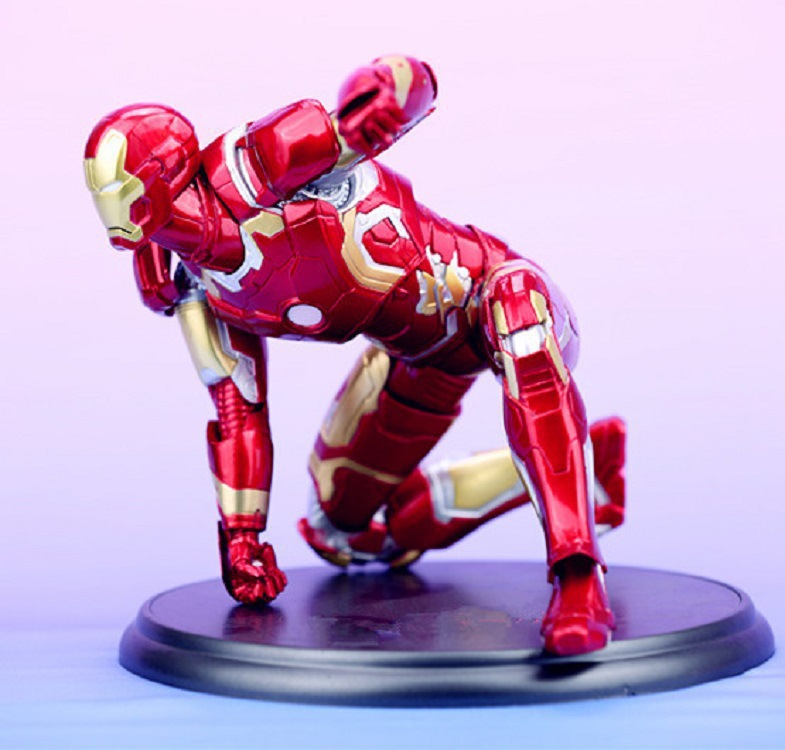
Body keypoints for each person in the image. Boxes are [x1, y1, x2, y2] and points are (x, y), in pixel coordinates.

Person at [84, 55, 625, 655]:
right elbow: (239, 412)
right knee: (341, 533)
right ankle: (589, 469)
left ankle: (578, 574)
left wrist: (388, 96)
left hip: (493, 290)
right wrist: (242, 538)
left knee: (520, 322)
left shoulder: (258, 165)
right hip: (419, 358)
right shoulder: (197, 287)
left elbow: (395, 98)